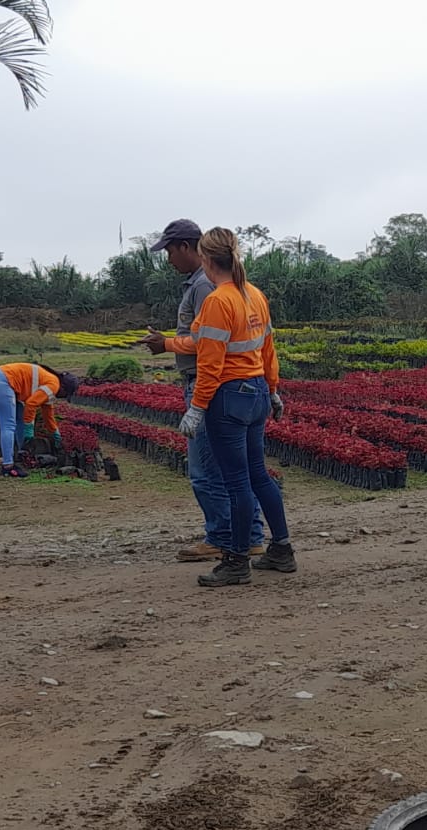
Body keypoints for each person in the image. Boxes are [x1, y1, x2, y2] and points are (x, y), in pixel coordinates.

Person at [141, 219, 265, 563]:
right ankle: (249, 535)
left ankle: (223, 536)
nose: (168, 259)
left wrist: (167, 345)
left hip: (211, 384)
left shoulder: (206, 287)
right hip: (239, 385)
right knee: (236, 469)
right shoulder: (212, 286)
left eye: (169, 251)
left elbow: (208, 342)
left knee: (208, 469)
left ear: (187, 247)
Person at [176, 227, 295, 587]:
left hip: (228, 397)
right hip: (256, 392)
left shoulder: (218, 301)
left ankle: (236, 561)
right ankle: (282, 549)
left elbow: (210, 364)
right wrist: (273, 390)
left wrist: (197, 407)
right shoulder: (253, 295)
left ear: (206, 259)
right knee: (258, 475)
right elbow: (267, 349)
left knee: (236, 482)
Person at [0, 362, 81, 477]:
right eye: (65, 394)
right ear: (63, 387)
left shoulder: (50, 382)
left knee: (20, 419)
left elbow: (48, 414)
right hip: (3, 381)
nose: (62, 397)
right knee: (8, 424)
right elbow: (31, 404)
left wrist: (55, 433)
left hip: (2, 379)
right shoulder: (53, 384)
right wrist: (29, 429)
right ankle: (8, 466)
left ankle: (21, 455)